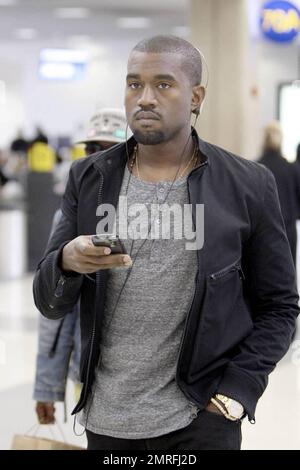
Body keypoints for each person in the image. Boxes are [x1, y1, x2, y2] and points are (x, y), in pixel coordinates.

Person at [33, 35, 299, 451]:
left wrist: (236, 392)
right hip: (106, 421)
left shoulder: (247, 185)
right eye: (134, 84)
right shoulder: (90, 178)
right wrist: (66, 262)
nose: (145, 98)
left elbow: (280, 306)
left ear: (196, 96)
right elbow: (48, 301)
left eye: (163, 84)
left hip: (200, 420)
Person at [33, 108, 127, 425]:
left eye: (108, 150)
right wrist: (47, 386)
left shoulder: (153, 213)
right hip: (89, 375)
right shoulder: (70, 216)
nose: (97, 159)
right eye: (90, 150)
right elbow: (56, 312)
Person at [258, 121, 300, 267]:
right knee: (287, 276)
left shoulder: (255, 168)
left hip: (260, 233)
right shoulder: (292, 169)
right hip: (287, 230)